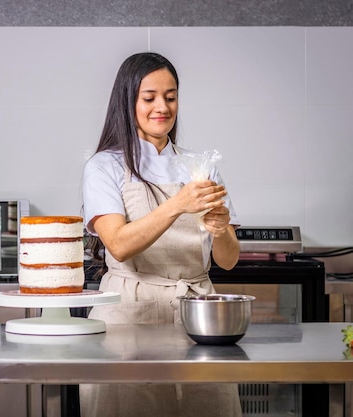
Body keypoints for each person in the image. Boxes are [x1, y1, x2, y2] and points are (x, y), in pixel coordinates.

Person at [79, 52, 242, 417]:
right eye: (149, 97)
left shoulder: (201, 167)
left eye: (170, 96)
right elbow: (119, 245)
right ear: (128, 101)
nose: (162, 107)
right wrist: (178, 204)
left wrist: (220, 230)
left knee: (207, 405)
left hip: (198, 312)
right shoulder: (104, 166)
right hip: (129, 314)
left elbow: (228, 260)